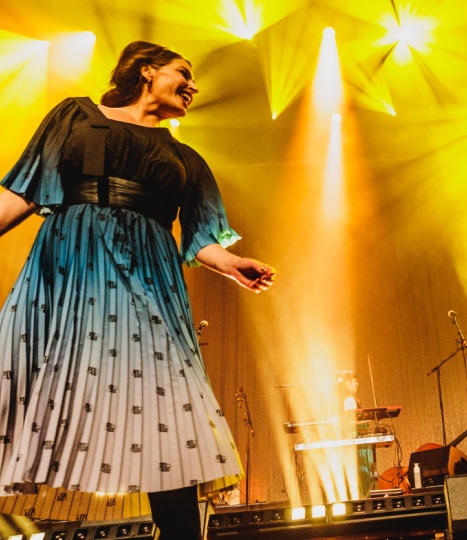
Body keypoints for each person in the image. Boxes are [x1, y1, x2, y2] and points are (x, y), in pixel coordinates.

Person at [0, 41, 276, 539]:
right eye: (183, 72)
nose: (192, 86)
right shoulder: (75, 116)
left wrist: (232, 263)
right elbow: (22, 193)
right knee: (20, 378)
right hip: (75, 270)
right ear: (147, 71)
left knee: (167, 398)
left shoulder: (185, 158)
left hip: (149, 278)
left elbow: (201, 238)